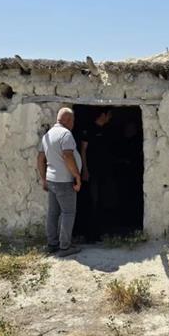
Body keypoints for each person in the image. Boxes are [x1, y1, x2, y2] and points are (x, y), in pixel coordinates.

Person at [37, 107, 82, 257]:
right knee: (68, 212)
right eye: (73, 120)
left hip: (51, 180)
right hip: (64, 181)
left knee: (53, 213)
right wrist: (77, 176)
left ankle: (52, 244)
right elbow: (67, 156)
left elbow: (40, 159)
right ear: (69, 120)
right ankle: (65, 247)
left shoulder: (48, 135)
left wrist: (43, 179)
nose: (73, 124)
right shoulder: (65, 134)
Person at [79, 108, 118, 239]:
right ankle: (90, 234)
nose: (110, 117)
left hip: (104, 172)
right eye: (109, 114)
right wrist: (85, 170)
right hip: (92, 172)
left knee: (103, 200)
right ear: (103, 115)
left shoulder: (107, 130)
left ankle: (100, 232)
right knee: (92, 201)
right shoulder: (89, 129)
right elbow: (83, 150)